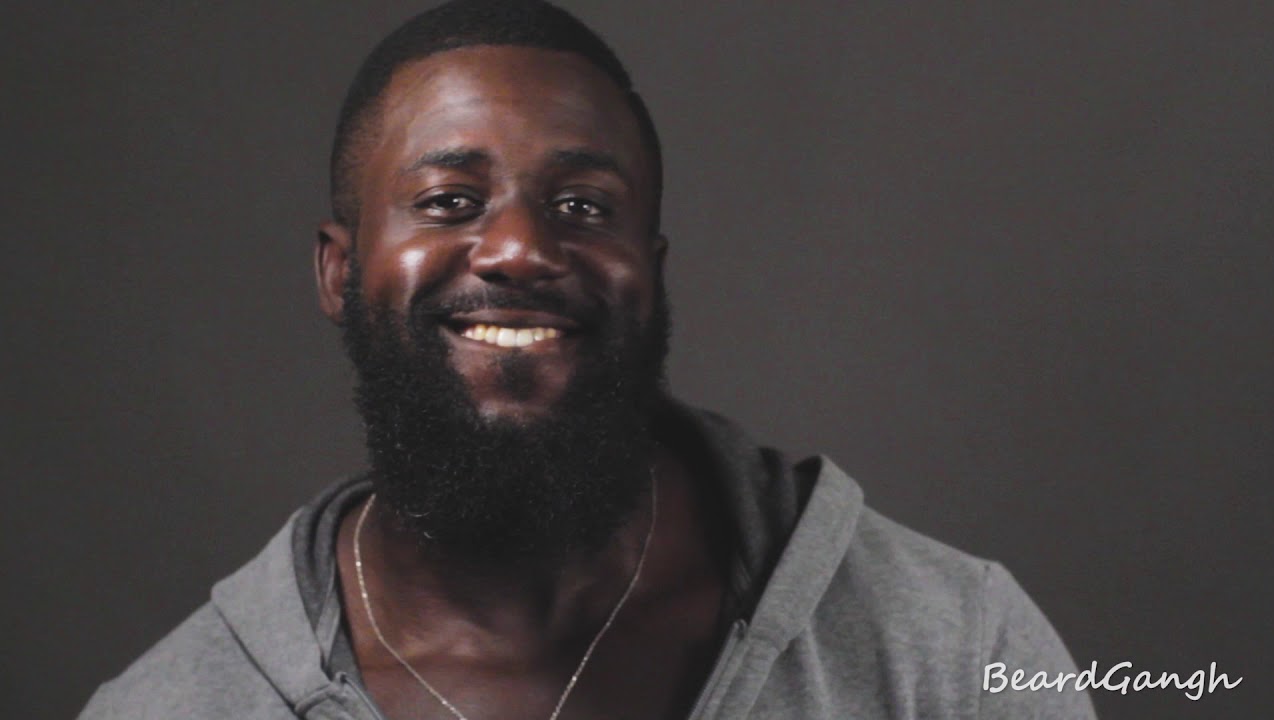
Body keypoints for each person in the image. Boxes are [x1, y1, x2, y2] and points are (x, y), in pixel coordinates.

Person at [78, 1, 1096, 718]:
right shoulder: (172, 708)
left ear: (650, 272)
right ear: (339, 271)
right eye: (449, 201)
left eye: (582, 205)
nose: (520, 249)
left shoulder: (956, 650)